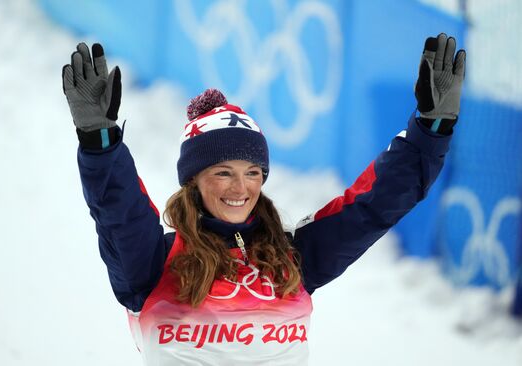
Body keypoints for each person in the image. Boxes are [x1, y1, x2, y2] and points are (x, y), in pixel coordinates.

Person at [62, 33, 465, 365]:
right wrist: (100, 144)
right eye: (223, 173)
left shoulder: (292, 258)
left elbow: (373, 205)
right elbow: (120, 214)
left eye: (252, 173)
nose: (241, 189)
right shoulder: (152, 265)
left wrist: (429, 132)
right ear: (194, 183)